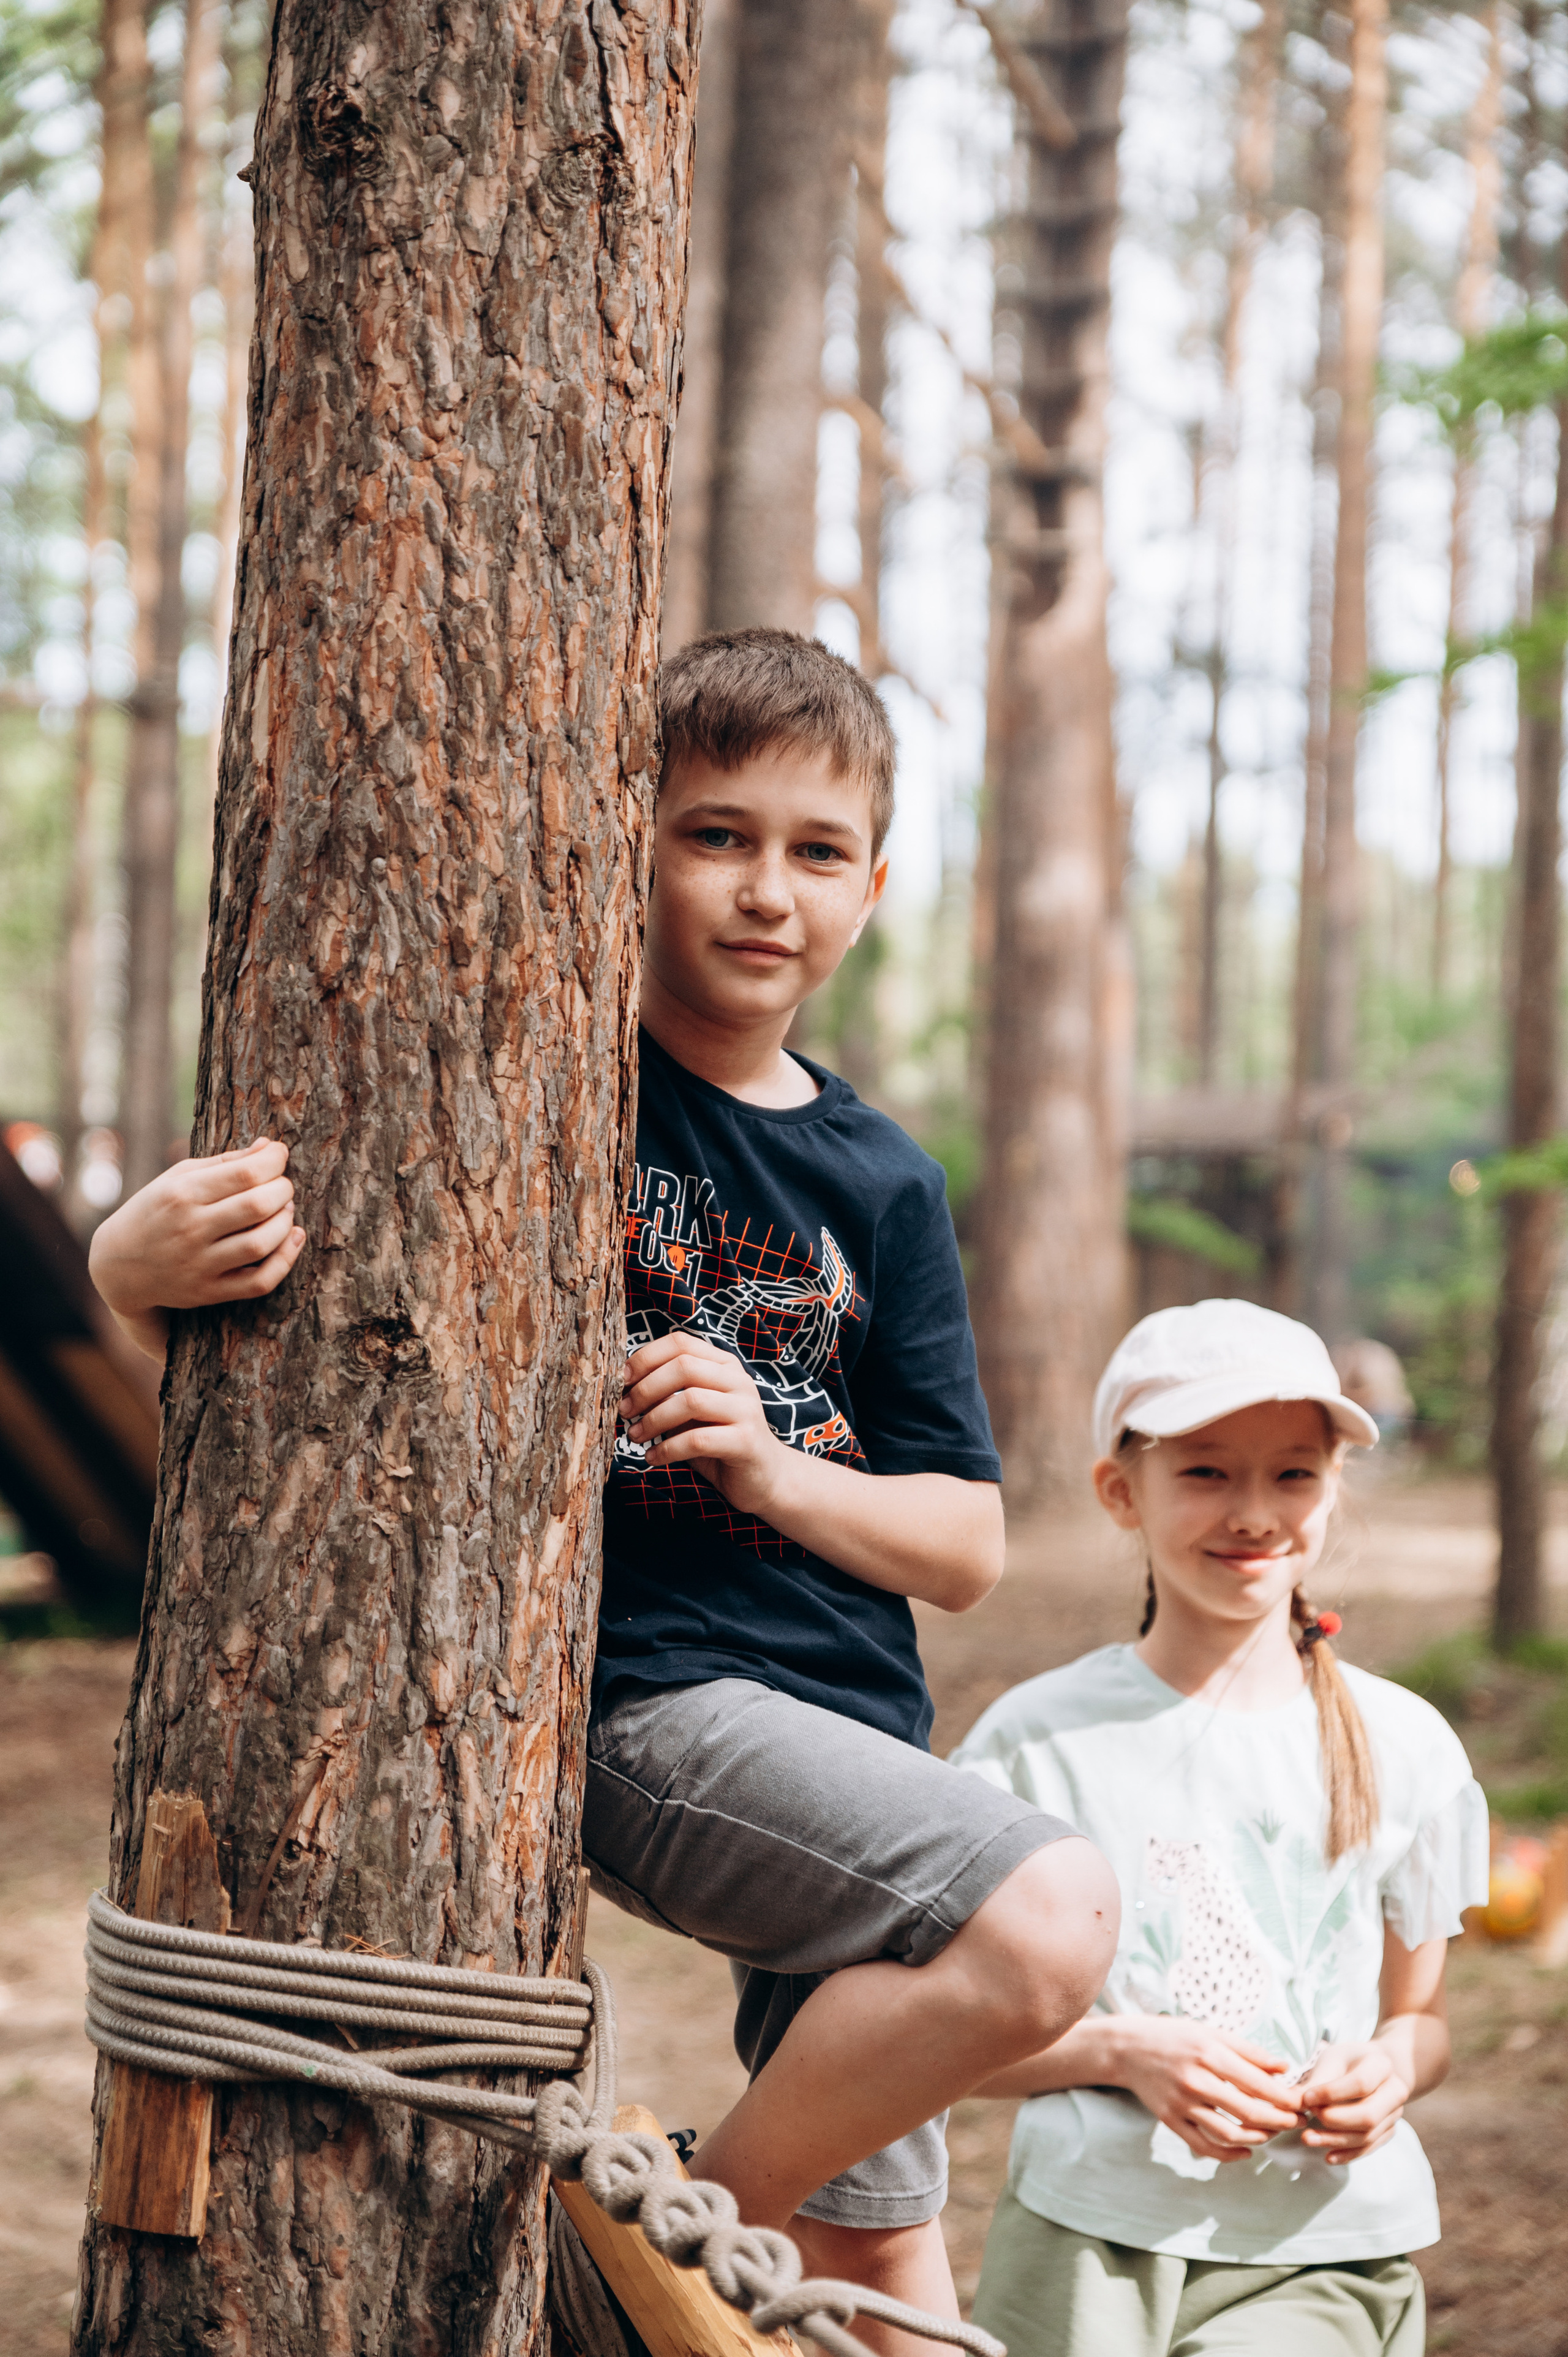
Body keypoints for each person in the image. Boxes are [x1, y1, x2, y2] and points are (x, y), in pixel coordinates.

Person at [89, 627, 1118, 2351]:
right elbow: (270, 1349)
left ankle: (698, 2241)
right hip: (657, 1710)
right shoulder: (537, 1086)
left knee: (888, 2297)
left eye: (813, 850)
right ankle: (654, 2250)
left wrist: (773, 1467)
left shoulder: (883, 1178)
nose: (764, 889)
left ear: (875, 882)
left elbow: (967, 1545)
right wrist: (131, 1262)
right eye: (713, 832)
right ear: (620, 840)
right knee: (1051, 1916)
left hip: (857, 1769)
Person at [951, 1298, 1489, 2357]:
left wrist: (1389, 2070)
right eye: (1204, 1472)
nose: (1253, 1513)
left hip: (1320, 2251)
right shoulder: (1031, 1744)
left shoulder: (1405, 1743)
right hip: (1081, 2247)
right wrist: (1121, 2051)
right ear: (1122, 1492)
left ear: (1334, 1492)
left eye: (1293, 1473)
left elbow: (1420, 2021)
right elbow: (953, 2044)